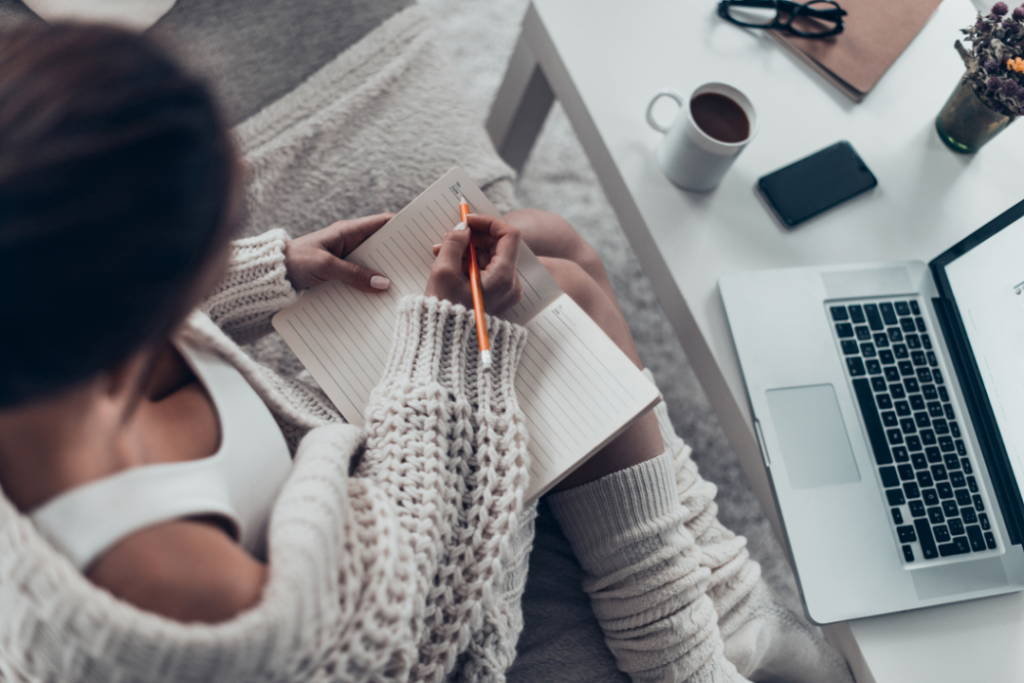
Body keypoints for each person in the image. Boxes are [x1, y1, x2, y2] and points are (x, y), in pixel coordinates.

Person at [0, 22, 852, 683]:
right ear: (131, 313)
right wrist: (452, 337)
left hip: (319, 482)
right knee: (567, 303)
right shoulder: (188, 590)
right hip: (418, 591)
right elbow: (405, 596)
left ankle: (715, 583)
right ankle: (685, 641)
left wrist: (273, 267)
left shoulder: (38, 330)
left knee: (544, 241)